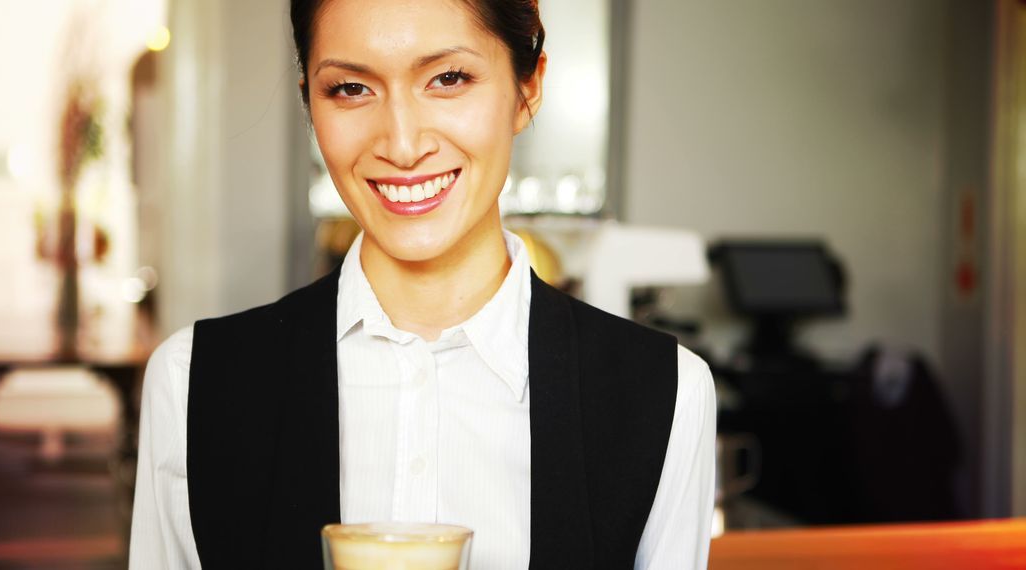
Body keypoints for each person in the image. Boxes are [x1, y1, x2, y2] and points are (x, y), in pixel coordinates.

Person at [129, 0, 716, 568]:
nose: (403, 146)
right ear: (310, 100)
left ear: (527, 86)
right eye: (351, 88)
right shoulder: (193, 384)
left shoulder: (667, 395)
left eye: (449, 78)